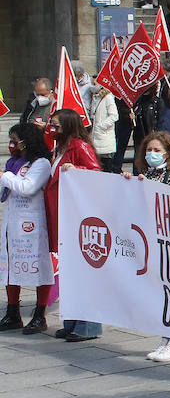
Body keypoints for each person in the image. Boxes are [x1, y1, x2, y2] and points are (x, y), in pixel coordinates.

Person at [124, 131, 170, 361]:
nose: (151, 154)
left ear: (168, 152)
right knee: (160, 291)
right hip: (151, 238)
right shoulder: (149, 172)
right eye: (148, 150)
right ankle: (167, 337)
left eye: (156, 151)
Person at [44, 109, 104, 340]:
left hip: (77, 217)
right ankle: (71, 321)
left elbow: (96, 173)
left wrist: (77, 169)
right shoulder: (58, 149)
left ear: (68, 126)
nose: (52, 128)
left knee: (83, 272)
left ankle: (88, 326)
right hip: (61, 214)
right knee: (69, 271)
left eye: (56, 125)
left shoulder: (79, 147)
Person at [1, 124, 55, 334]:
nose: (12, 144)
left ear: (27, 140)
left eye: (15, 139)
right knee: (10, 266)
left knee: (38, 266)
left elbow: (28, 187)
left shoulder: (41, 163)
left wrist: (5, 176)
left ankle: (39, 314)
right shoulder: (14, 162)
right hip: (12, 221)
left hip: (32, 223)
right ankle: (13, 312)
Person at [89, 82, 119, 172]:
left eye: (95, 84)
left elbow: (114, 116)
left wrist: (101, 126)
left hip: (103, 134)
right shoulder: (95, 98)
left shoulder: (108, 98)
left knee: (106, 163)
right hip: (95, 135)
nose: (93, 86)